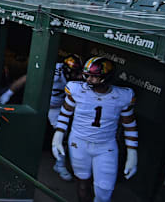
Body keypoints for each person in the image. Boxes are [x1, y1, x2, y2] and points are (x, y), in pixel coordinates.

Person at [53, 57, 138, 202]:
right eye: (87, 75)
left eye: (94, 76)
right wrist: (58, 135)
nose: (89, 79)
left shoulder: (122, 96)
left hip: (106, 146)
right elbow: (65, 114)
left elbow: (129, 125)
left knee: (104, 190)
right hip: (78, 142)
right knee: (82, 183)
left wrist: (132, 152)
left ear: (107, 77)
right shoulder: (76, 89)